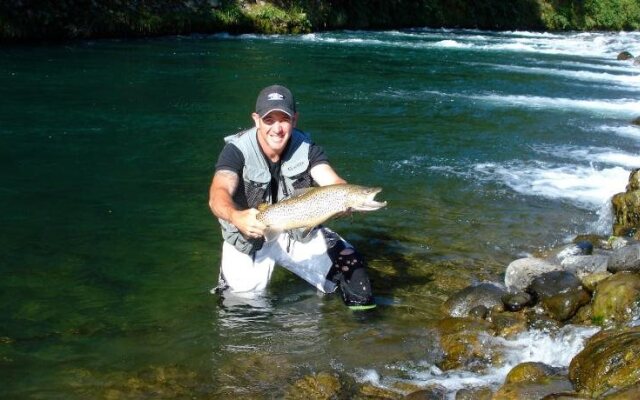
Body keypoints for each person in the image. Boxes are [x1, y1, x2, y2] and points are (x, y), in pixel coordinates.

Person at [208, 84, 376, 310]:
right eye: (269, 120)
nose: (277, 128)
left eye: (284, 119)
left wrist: (346, 196)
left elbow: (332, 181)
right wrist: (236, 216)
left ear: (294, 120)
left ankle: (363, 336)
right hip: (249, 237)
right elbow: (218, 195)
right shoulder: (236, 151)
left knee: (356, 277)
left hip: (295, 233)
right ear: (256, 119)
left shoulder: (308, 149)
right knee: (241, 313)